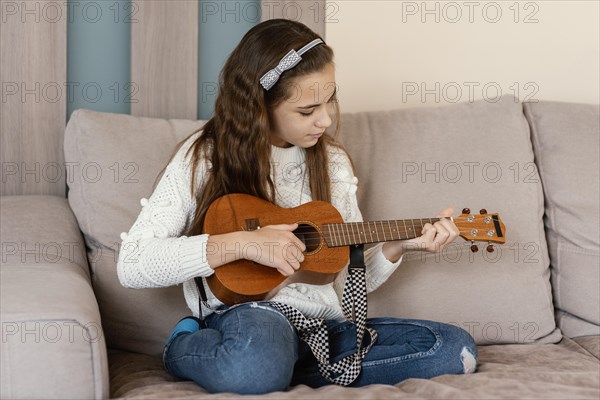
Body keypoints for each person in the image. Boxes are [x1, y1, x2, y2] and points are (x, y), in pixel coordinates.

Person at [117, 18, 477, 395]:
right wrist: (243, 243)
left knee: (454, 350)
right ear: (260, 108)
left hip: (323, 327)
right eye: (307, 110)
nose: (326, 119)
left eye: (330, 99)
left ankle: (278, 367)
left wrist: (400, 245)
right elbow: (133, 263)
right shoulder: (205, 157)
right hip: (252, 318)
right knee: (259, 354)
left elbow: (338, 275)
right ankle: (185, 346)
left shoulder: (333, 163)